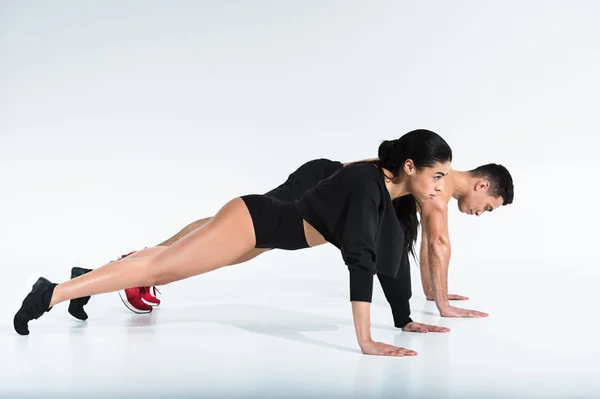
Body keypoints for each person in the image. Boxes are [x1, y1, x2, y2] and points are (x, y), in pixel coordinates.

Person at [14, 129, 453, 357]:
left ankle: (84, 280)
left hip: (263, 230)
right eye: (436, 176)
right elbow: (361, 260)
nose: (440, 188)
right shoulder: (366, 184)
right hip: (253, 223)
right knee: (159, 269)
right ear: (410, 166)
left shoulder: (391, 203)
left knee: (163, 260)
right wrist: (366, 342)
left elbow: (390, 263)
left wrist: (404, 319)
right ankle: (51, 293)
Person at [78, 156, 513, 319]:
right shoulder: (439, 182)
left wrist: (437, 292)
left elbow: (417, 247)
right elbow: (437, 246)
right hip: (321, 186)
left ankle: (121, 269)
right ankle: (138, 267)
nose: (480, 214)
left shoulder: (436, 178)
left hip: (323, 184)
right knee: (229, 239)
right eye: (488, 207)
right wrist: (440, 304)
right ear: (482, 185)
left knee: (233, 241)